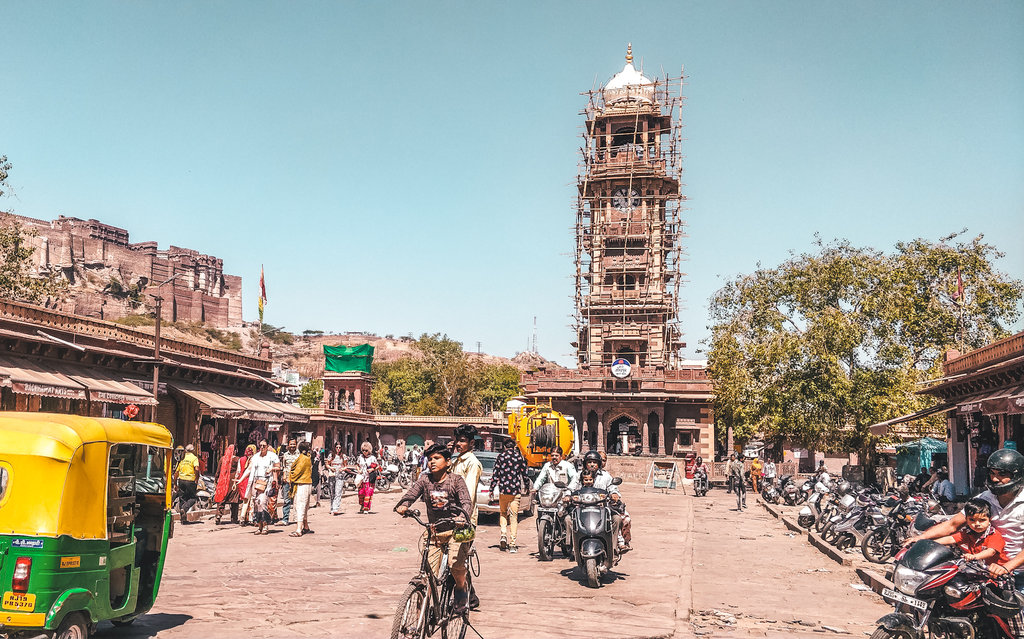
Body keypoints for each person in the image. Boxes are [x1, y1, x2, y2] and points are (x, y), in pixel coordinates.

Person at [906, 449, 1024, 586]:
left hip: (1018, 572)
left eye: (1002, 474)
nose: (995, 479)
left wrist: (1007, 567)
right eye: (992, 473)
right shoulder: (985, 498)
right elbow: (952, 525)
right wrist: (921, 538)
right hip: (987, 569)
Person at [394, 443, 474, 614]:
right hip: (434, 532)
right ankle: (422, 613)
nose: (432, 462)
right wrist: (403, 505)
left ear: (447, 462)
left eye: (437, 458)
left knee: (456, 564)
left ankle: (461, 588)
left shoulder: (456, 480)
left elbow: (467, 502)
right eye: (430, 459)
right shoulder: (424, 480)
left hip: (455, 532)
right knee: (427, 573)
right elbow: (411, 494)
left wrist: (462, 517)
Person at [450, 424, 483, 609]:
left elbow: (468, 495)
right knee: (454, 561)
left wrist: (462, 516)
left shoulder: (472, 463)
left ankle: (463, 598)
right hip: (451, 517)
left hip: (465, 519)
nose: (458, 444)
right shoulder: (457, 461)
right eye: (458, 440)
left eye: (462, 441)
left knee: (457, 561)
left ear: (471, 443)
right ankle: (470, 596)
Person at [571, 450, 627, 550]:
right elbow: (571, 488)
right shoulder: (579, 475)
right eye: (589, 462)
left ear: (599, 464)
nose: (592, 465)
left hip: (602, 509)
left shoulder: (606, 476)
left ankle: (612, 549)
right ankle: (573, 548)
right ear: (585, 463)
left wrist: (614, 494)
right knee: (569, 519)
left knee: (617, 520)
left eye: (595, 462)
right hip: (582, 509)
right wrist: (567, 496)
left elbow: (612, 487)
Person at [933, 499, 1007, 565]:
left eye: (982, 520)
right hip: (977, 570)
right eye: (972, 520)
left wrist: (974, 556)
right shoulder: (968, 533)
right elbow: (951, 539)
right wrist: (930, 542)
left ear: (989, 519)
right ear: (966, 519)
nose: (977, 524)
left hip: (998, 572)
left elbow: (991, 552)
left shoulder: (994, 535)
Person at [492, 440, 527, 553]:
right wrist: (526, 486)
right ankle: (512, 544)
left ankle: (503, 534)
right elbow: (524, 473)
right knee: (513, 517)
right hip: (515, 491)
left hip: (503, 490)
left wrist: (491, 489)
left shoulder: (500, 457)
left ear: (504, 446)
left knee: (503, 513)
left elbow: (495, 473)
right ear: (514, 447)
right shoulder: (519, 457)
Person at [243, 440, 281, 535]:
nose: (262, 447)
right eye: (260, 445)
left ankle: (265, 525)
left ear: (267, 446)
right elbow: (249, 469)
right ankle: (259, 526)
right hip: (256, 483)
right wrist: (240, 479)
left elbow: (278, 467)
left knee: (262, 503)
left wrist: (271, 469)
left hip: (266, 483)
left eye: (264, 445)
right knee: (256, 504)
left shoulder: (272, 456)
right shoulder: (255, 457)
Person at [289, 441, 314, 537]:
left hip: (302, 484)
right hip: (306, 483)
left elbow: (297, 472)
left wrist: (290, 478)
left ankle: (299, 529)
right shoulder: (307, 458)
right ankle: (306, 526)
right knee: (304, 507)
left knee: (300, 506)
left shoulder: (303, 458)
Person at [213, 444, 240, 525]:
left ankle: (218, 515)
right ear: (235, 450)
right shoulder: (237, 459)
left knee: (222, 499)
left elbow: (218, 471)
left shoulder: (222, 459)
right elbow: (239, 471)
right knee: (234, 501)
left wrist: (216, 480)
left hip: (223, 482)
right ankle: (234, 518)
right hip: (233, 482)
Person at [174, 444, 201, 524]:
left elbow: (176, 472)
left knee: (183, 498)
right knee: (193, 498)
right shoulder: (194, 458)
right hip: (190, 480)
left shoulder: (182, 458)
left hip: (181, 480)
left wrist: (175, 483)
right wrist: (196, 478)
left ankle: (183, 519)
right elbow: (196, 469)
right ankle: (185, 509)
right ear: (193, 450)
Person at [279, 438, 300, 525]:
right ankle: (285, 519)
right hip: (287, 480)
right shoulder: (285, 455)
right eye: (291, 444)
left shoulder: (299, 455)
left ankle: (297, 518)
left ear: (296, 445)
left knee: (297, 500)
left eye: (293, 444)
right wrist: (284, 476)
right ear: (288, 445)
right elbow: (284, 467)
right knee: (286, 500)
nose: (292, 446)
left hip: (297, 480)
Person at [356, 441, 379, 513]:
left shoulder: (373, 458)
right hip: (362, 478)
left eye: (366, 450)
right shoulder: (360, 457)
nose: (364, 452)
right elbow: (357, 465)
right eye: (363, 450)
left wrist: (372, 469)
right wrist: (359, 470)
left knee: (368, 493)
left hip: (370, 479)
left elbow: (378, 466)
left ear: (369, 450)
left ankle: (366, 508)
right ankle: (362, 505)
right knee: (361, 493)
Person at [237, 444, 257, 525]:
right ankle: (251, 519)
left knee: (245, 501)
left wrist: (238, 480)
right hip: (251, 481)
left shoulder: (241, 459)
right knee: (252, 501)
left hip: (242, 481)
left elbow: (238, 471)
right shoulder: (255, 459)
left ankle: (242, 518)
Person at [327, 443, 348, 515]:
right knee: (332, 492)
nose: (338, 449)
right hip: (332, 475)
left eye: (339, 447)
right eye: (337, 447)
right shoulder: (331, 455)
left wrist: (343, 469)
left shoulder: (343, 456)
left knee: (338, 492)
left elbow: (346, 466)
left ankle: (335, 508)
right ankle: (332, 507)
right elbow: (327, 464)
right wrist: (330, 468)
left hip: (340, 476)